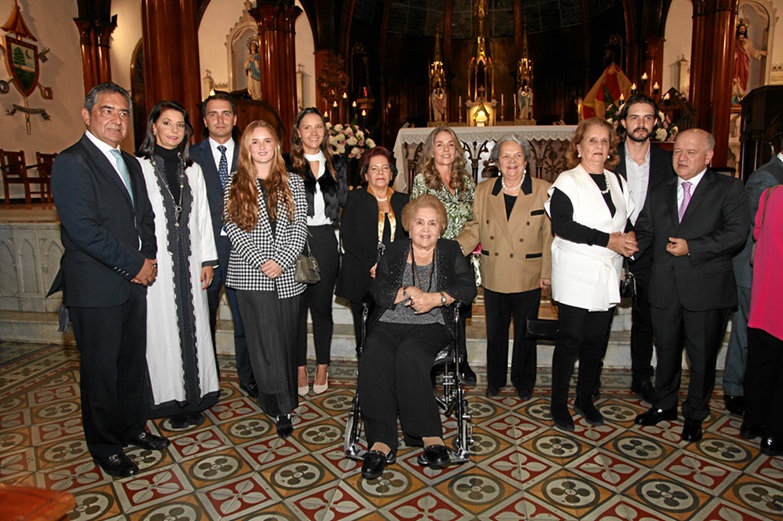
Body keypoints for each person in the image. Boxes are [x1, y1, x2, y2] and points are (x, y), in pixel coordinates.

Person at [49, 82, 169, 478]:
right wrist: (134, 264)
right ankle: (105, 446)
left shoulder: (131, 163)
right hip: (96, 286)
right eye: (107, 110)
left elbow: (146, 217)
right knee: (101, 371)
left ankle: (132, 427)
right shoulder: (71, 162)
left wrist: (148, 256)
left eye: (123, 113)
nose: (117, 119)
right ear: (87, 115)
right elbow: (84, 230)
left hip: (133, 281)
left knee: (131, 362)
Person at [634, 129, 748, 443]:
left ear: (708, 156)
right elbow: (645, 230)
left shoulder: (729, 188)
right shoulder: (660, 190)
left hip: (706, 290)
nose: (681, 158)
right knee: (666, 352)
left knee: (702, 358)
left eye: (690, 152)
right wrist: (619, 246)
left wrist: (692, 247)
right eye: (677, 151)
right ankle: (664, 404)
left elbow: (736, 233)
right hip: (664, 288)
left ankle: (695, 414)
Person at [358, 195, 477, 479]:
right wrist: (406, 291)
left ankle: (430, 437)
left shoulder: (450, 250)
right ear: (409, 227)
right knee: (374, 352)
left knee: (411, 354)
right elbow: (378, 290)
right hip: (390, 321)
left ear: (441, 228)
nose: (426, 229)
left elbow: (467, 287)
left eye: (432, 223)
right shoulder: (394, 250)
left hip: (432, 324)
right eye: (420, 222)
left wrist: (437, 298)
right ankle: (381, 442)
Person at [545, 117, 638, 432]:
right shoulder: (567, 180)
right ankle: (558, 403)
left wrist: (629, 239)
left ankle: (585, 398)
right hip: (575, 269)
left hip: (608, 270)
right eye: (592, 141)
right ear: (579, 147)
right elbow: (563, 225)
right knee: (571, 339)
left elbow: (627, 221)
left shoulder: (617, 181)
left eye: (604, 141)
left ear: (611, 148)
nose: (599, 147)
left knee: (597, 339)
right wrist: (609, 240)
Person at [136, 100, 220, 428]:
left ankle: (196, 395)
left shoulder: (193, 169)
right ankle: (169, 398)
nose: (174, 130)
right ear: (153, 127)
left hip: (192, 260)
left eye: (180, 125)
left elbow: (203, 217)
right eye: (167, 123)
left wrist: (208, 260)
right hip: (157, 264)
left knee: (195, 326)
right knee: (163, 330)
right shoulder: (139, 167)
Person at [224, 120, 307, 439]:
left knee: (285, 341)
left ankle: (287, 401)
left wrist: (281, 261)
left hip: (287, 276)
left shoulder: (293, 182)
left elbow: (300, 228)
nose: (262, 147)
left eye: (267, 141)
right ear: (247, 148)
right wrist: (262, 261)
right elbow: (233, 228)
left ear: (276, 145)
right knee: (263, 344)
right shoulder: (235, 182)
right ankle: (277, 406)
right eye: (255, 142)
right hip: (251, 275)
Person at [457, 135, 552, 400]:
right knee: (495, 332)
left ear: (526, 161)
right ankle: (495, 380)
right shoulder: (484, 191)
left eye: (517, 156)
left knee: (526, 332)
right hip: (495, 270)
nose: (512, 162)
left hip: (529, 271)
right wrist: (453, 249)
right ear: (497, 162)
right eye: (505, 156)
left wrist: (547, 272)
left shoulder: (544, 190)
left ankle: (524, 381)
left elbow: (549, 235)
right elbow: (474, 227)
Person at [191, 92, 257, 399]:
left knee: (245, 321)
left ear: (235, 119)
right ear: (205, 121)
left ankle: (249, 377)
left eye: (226, 114)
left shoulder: (250, 153)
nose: (220, 119)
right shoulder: (189, 155)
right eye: (213, 114)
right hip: (204, 253)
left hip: (243, 252)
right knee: (204, 320)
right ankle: (207, 381)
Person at [614, 94, 675, 405]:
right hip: (612, 247)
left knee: (646, 318)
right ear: (624, 122)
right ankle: (591, 378)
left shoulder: (669, 162)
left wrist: (641, 242)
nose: (641, 123)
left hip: (653, 252)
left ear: (655, 123)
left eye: (647, 117)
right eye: (634, 117)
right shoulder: (608, 158)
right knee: (601, 316)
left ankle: (641, 377)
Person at [287, 107, 348, 396]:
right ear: (298, 132)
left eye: (318, 127)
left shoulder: (338, 163)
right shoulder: (285, 163)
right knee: (297, 309)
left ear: (325, 132)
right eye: (307, 127)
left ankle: (323, 365)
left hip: (324, 238)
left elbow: (345, 203)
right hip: (293, 238)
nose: (313, 132)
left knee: (322, 308)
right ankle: (299, 367)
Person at [411, 126, 478, 384]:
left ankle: (461, 360)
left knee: (459, 309)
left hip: (462, 254)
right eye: (440, 144)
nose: (446, 149)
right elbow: (417, 219)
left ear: (457, 150)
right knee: (435, 310)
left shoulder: (467, 181)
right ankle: (433, 362)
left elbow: (475, 219)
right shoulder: (422, 181)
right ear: (431, 150)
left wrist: (460, 248)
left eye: (450, 144)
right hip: (432, 255)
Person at [725, 134, 783, 417]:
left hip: (771, 269)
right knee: (746, 332)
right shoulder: (767, 177)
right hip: (755, 270)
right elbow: (760, 227)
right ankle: (735, 388)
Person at [336, 146, 409, 347]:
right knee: (365, 334)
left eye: (385, 168)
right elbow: (350, 237)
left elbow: (406, 239)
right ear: (366, 174)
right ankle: (366, 365)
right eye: (374, 168)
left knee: (390, 334)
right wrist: (374, 263)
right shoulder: (354, 199)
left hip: (394, 276)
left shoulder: (404, 201)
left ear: (392, 173)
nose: (380, 172)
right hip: (361, 274)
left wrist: (388, 266)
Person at [742, 184, 783, 457]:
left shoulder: (771, 194)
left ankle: (752, 423)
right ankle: (775, 436)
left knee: (760, 365)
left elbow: (758, 236)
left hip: (764, 300)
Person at [732, 20, 767, 101]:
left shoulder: (748, 41)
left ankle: (740, 95)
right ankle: (733, 94)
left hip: (744, 62)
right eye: (741, 28)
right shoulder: (734, 41)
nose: (742, 30)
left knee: (743, 77)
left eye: (744, 29)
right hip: (735, 62)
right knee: (734, 77)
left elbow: (752, 51)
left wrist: (760, 52)